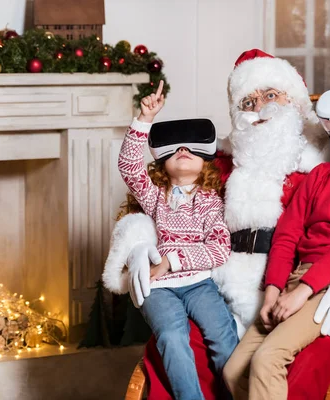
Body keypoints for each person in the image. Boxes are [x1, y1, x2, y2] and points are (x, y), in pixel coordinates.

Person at [103, 50, 330, 400]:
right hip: (218, 293)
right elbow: (162, 202)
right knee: (177, 344)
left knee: (309, 362)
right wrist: (140, 244)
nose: (259, 107)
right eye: (248, 100)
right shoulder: (221, 164)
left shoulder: (327, 161)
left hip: (310, 291)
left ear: (296, 103)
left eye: (271, 95)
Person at [223, 89, 330, 399]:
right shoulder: (319, 176)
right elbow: (286, 237)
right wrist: (273, 292)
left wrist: (302, 293)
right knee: (233, 370)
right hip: (294, 280)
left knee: (268, 358)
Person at [109, 80, 238, 400]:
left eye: (191, 148)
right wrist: (144, 119)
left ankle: (237, 394)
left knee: (223, 338)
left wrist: (172, 260)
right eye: (175, 148)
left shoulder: (211, 202)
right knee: (172, 336)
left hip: (199, 284)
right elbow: (127, 166)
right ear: (162, 162)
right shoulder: (155, 197)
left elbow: (219, 248)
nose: (183, 151)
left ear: (205, 160)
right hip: (160, 289)